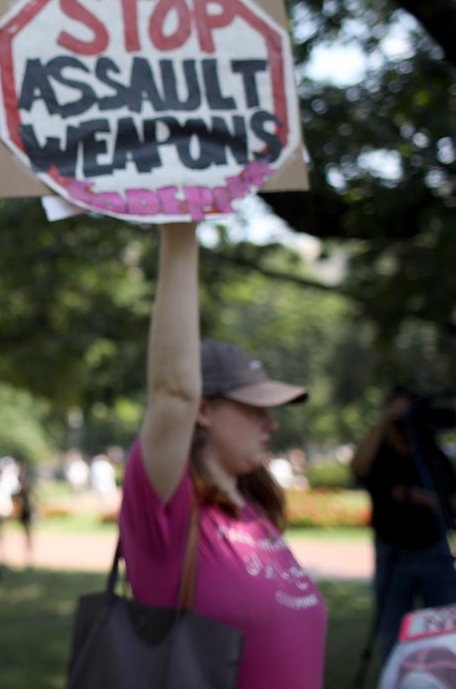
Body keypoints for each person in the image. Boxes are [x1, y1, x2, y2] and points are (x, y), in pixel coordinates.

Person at [118, 223, 327, 689]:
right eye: (255, 410)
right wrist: (181, 229)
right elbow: (173, 391)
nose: (271, 425)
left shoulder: (251, 508)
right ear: (205, 411)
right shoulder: (167, 511)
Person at [352, 386, 456, 660]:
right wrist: (384, 420)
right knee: (392, 637)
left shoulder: (431, 454)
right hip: (392, 554)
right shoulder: (378, 454)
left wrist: (425, 500)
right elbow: (358, 468)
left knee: (449, 634)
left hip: (435, 551)